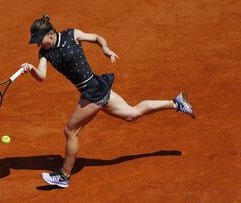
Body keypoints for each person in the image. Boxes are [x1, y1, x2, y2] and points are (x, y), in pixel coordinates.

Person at [20, 14, 195, 188]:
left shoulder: (71, 35)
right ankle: (176, 103)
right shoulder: (44, 53)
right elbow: (41, 75)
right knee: (132, 114)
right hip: (97, 88)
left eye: (39, 40)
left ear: (50, 34)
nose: (38, 44)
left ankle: (64, 175)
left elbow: (96, 37)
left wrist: (105, 47)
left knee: (70, 131)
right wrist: (31, 69)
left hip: (93, 90)